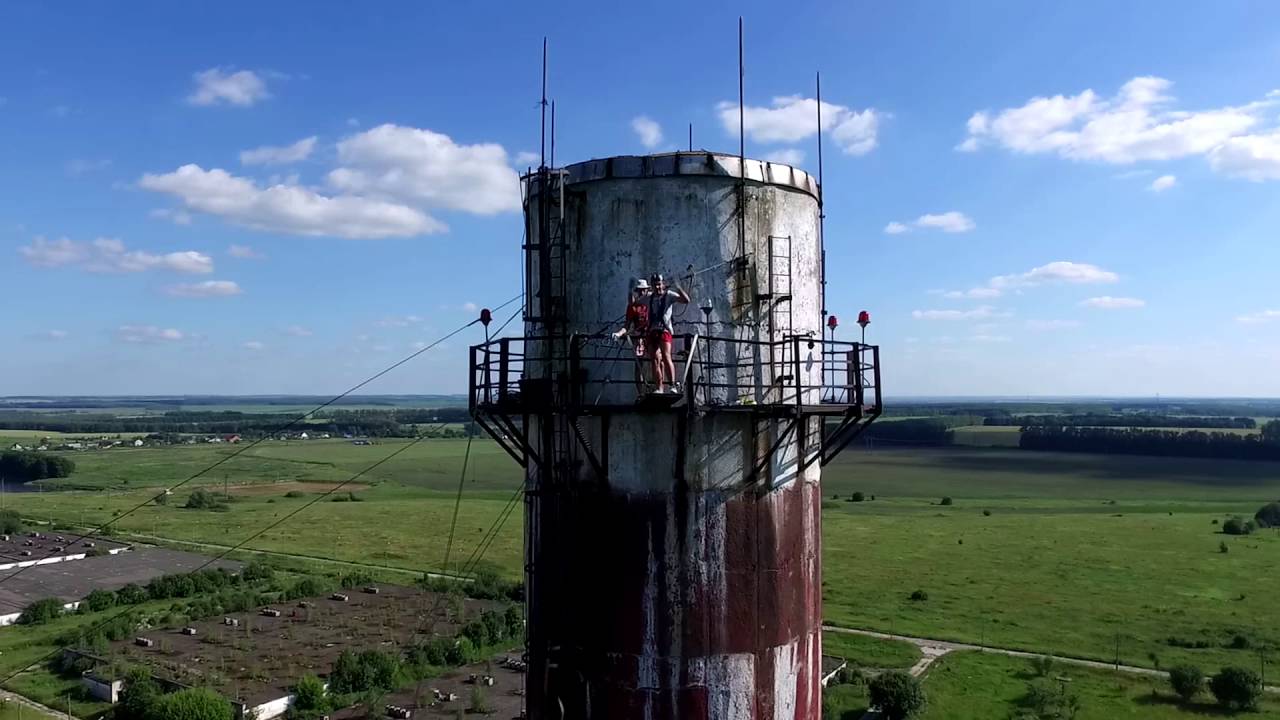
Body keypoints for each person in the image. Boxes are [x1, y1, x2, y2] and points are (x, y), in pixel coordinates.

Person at [646, 273, 691, 394]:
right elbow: (634, 303)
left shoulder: (669, 295)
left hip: (664, 330)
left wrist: (678, 287)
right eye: (655, 285)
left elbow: (686, 300)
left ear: (663, 284)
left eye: (659, 284)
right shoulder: (649, 298)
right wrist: (633, 292)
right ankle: (659, 388)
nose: (657, 287)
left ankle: (672, 385)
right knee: (654, 359)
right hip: (652, 331)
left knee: (666, 357)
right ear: (652, 286)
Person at [613, 278, 652, 391]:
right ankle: (641, 392)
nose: (641, 293)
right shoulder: (633, 307)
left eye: (643, 290)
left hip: (652, 335)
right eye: (639, 291)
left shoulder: (651, 302)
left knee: (657, 361)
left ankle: (658, 390)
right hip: (639, 338)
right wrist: (619, 334)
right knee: (639, 366)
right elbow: (627, 325)